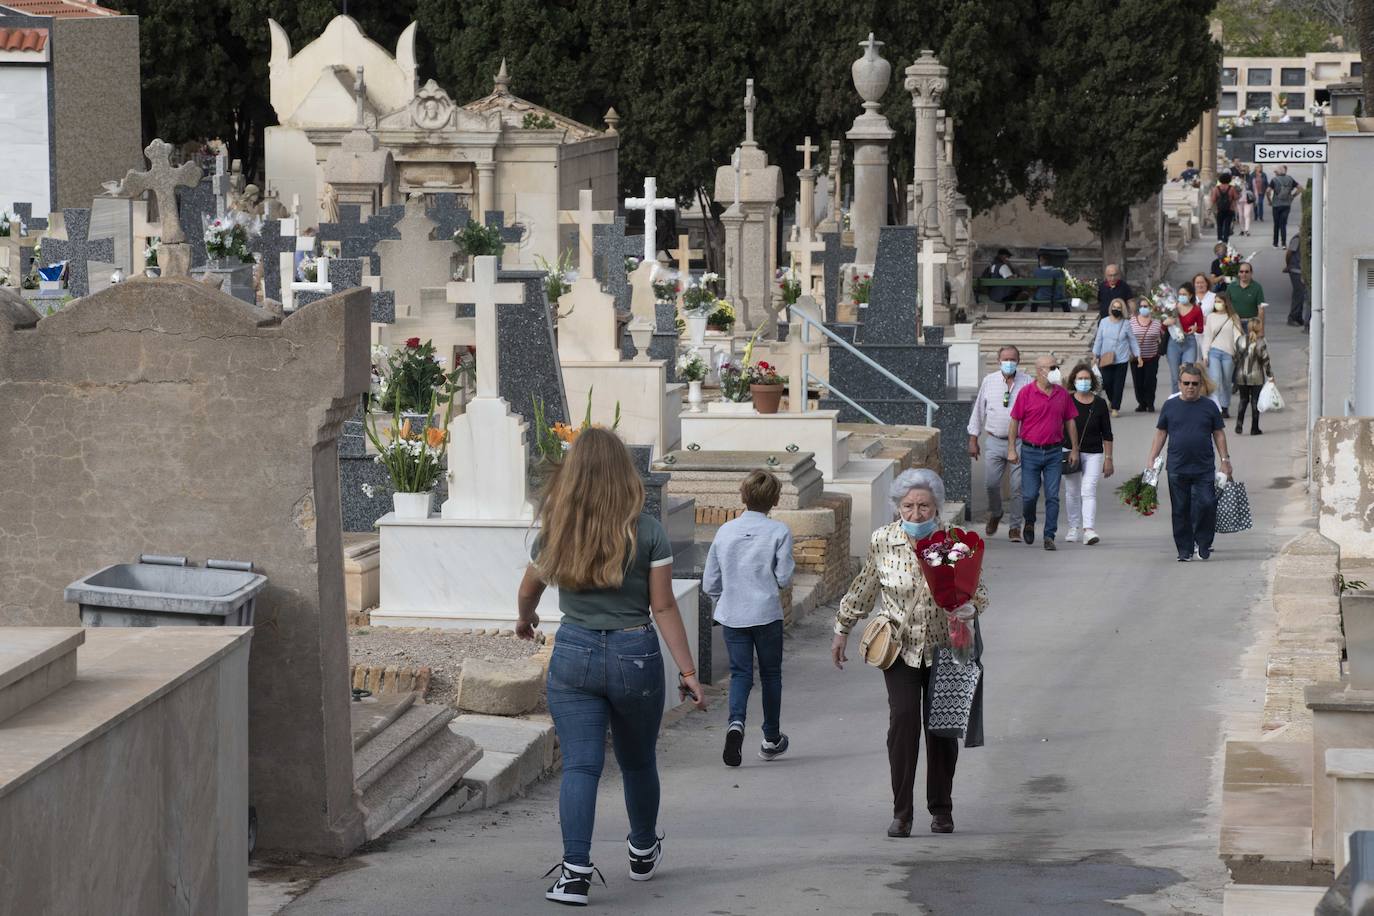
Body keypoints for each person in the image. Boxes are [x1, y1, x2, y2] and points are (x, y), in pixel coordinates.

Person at [515, 428, 707, 906]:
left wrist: (526, 620)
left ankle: (575, 874)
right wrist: (688, 672)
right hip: (634, 654)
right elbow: (663, 607)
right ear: (625, 473)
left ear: (573, 474)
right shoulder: (647, 530)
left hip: (574, 652)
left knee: (581, 765)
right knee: (638, 759)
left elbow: (528, 591)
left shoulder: (557, 529)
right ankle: (642, 849)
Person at [830, 469, 988, 838]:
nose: (916, 514)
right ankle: (902, 812)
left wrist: (968, 608)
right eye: (908, 506)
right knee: (902, 724)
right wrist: (842, 629)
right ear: (897, 507)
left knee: (942, 731)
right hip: (900, 649)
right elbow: (864, 587)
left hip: (949, 647)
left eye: (924, 506)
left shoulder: (953, 543)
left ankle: (941, 809)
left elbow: (979, 592)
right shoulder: (883, 540)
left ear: (937, 506)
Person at [702, 469, 795, 767]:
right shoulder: (779, 531)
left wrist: (726, 595)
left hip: (733, 614)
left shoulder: (724, 531)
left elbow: (710, 583)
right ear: (776, 499)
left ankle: (736, 724)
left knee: (740, 674)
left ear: (742, 496)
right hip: (766, 613)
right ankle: (770, 738)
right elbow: (784, 576)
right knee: (771, 675)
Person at [1147, 364, 1233, 562]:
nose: (1190, 387)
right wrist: (1152, 458)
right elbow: (1161, 432)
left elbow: (1219, 434)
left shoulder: (1209, 406)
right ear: (1179, 384)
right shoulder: (1170, 406)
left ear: (1200, 384)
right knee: (1180, 509)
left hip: (1203, 467)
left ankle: (1203, 542)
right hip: (1177, 467)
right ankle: (1184, 550)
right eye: (1186, 383)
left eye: (1194, 384)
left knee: (1207, 504)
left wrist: (1225, 460)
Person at [1007, 355, 1080, 551]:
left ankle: (1049, 535)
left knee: (1053, 496)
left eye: (1056, 367)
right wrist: (1011, 448)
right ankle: (1029, 521)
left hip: (1054, 452)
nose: (1056, 371)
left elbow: (1070, 421)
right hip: (1030, 451)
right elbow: (1015, 420)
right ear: (1040, 371)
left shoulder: (1062, 394)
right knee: (1029, 496)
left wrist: (1074, 448)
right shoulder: (1026, 393)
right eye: (1052, 367)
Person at [967, 346, 1033, 540]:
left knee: (1017, 486)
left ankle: (1015, 526)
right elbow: (979, 410)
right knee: (991, 483)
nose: (1009, 362)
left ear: (1019, 361)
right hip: (994, 440)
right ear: (998, 360)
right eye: (1005, 359)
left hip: (1020, 443)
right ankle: (996, 513)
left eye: (1013, 359)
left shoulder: (1027, 382)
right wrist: (973, 439)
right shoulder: (989, 381)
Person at [1062, 362, 1115, 546]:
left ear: (1092, 381)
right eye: (1080, 379)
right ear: (1073, 381)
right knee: (1072, 491)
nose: (1083, 382)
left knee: (1088, 490)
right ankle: (1073, 527)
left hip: (1093, 453)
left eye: (1086, 379)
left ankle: (1089, 529)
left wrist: (1109, 459)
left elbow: (1107, 434)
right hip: (1069, 452)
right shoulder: (1067, 401)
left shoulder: (1099, 403)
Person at [1091, 297, 1142, 415]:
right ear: (1110, 308)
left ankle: (1115, 408)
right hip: (1106, 358)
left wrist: (1138, 355)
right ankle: (1111, 400)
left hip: (1121, 359)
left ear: (1122, 309)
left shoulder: (1126, 323)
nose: (1116, 309)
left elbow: (1132, 341)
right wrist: (1095, 355)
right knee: (1107, 383)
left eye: (1119, 308)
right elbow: (1098, 339)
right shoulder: (1104, 322)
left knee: (1119, 384)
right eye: (1114, 307)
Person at [1200, 292, 1243, 419]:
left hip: (1229, 353)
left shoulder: (1233, 317)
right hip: (1214, 352)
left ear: (1226, 303)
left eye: (1220, 301)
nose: (1217, 304)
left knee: (1226, 381)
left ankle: (1225, 407)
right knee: (1216, 379)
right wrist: (1205, 354)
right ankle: (1216, 407)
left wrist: (1238, 349)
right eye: (1216, 301)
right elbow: (1207, 337)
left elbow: (1237, 335)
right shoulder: (1211, 317)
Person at [1233, 315, 1275, 435]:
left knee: (1243, 399)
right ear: (1258, 328)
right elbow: (1266, 360)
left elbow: (1235, 358)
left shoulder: (1240, 340)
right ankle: (1254, 428)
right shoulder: (1261, 343)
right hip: (1257, 376)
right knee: (1255, 401)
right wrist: (1270, 376)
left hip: (1242, 375)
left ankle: (1239, 423)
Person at [1163, 284, 1204, 394]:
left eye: (1184, 294)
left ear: (1190, 295)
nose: (1181, 296)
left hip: (1189, 342)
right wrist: (1166, 323)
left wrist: (1196, 328)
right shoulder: (1172, 307)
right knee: (1175, 376)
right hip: (1173, 342)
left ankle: (1188, 398)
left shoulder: (1196, 309)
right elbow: (1163, 325)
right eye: (1180, 294)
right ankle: (1176, 400)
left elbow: (1201, 329)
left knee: (1188, 373)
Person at [1130, 300, 1165, 412]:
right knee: (1138, 381)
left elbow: (1162, 336)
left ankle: (1150, 403)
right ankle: (1141, 403)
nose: (1143, 308)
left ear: (1150, 308)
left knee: (1150, 381)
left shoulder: (1157, 322)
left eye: (1146, 306)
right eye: (1141, 306)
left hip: (1152, 357)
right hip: (1135, 358)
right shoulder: (1132, 321)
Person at [1267, 164, 1302, 249]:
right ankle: (1284, 244)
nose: (1274, 173)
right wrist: (1293, 196)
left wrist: (1269, 201)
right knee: (1283, 224)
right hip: (1286, 204)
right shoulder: (1290, 179)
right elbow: (1300, 188)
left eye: (1275, 171)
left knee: (1276, 224)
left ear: (1277, 172)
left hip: (1276, 205)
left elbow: (1268, 191)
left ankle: (1275, 244)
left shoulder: (1274, 180)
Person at [1227, 262, 1265, 333]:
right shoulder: (1231, 287)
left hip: (1251, 324)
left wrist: (1261, 329)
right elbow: (1226, 306)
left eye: (1247, 272)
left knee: (1251, 344)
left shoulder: (1257, 287)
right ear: (1238, 273)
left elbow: (1261, 310)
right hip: (1235, 323)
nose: (1244, 274)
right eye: (1241, 272)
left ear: (1251, 273)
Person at [1284, 235, 1306, 328]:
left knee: (1301, 294)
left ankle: (1298, 317)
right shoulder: (1297, 238)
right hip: (1296, 270)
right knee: (1298, 294)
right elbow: (1289, 253)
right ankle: (1292, 317)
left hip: (1298, 270)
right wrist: (1288, 265)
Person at [1211, 172, 1238, 244]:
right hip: (1230, 209)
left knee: (1219, 225)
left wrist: (1212, 208)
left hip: (1219, 209)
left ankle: (1219, 239)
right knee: (1227, 225)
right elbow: (1235, 197)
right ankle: (1225, 240)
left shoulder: (1216, 189)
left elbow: (1213, 200)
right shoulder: (1231, 188)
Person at [1235, 164, 1254, 236]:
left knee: (1247, 214)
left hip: (1248, 199)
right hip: (1239, 199)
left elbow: (1253, 188)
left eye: (1244, 170)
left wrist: (1255, 198)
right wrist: (1239, 184)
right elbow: (1235, 189)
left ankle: (1247, 230)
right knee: (1240, 215)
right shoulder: (1237, 179)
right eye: (1242, 170)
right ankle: (1242, 229)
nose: (1243, 172)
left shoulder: (1251, 178)